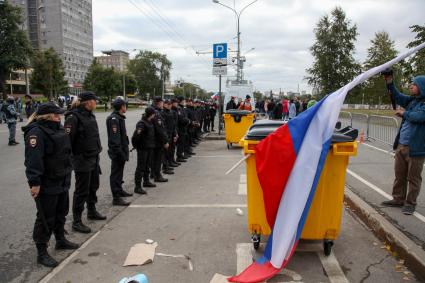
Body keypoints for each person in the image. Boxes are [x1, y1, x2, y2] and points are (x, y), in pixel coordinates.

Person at [23, 102, 79, 267]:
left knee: (61, 212)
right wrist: (34, 183)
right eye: (56, 115)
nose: (59, 117)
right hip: (47, 183)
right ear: (47, 116)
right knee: (46, 218)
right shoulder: (36, 133)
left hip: (62, 179)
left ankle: (60, 240)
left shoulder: (58, 128)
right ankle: (42, 252)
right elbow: (33, 161)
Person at [381, 75, 425, 215]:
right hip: (402, 145)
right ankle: (398, 199)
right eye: (411, 84)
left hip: (416, 148)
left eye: (414, 84)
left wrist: (405, 113)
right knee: (399, 175)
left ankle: (410, 203)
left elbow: (419, 117)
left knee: (413, 178)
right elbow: (398, 96)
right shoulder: (412, 101)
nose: (411, 86)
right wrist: (389, 81)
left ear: (422, 87)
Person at [64, 91, 106, 234]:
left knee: (93, 186)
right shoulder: (73, 117)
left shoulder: (90, 115)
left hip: (93, 157)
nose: (96, 102)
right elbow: (67, 141)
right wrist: (70, 161)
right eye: (95, 101)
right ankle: (76, 221)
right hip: (82, 159)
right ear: (87, 102)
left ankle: (92, 211)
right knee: (81, 191)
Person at [106, 97, 132, 206]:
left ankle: (119, 190)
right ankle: (116, 197)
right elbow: (115, 140)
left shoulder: (119, 117)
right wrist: (120, 153)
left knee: (119, 173)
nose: (126, 107)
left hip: (121, 151)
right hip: (117, 152)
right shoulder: (113, 119)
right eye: (125, 105)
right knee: (115, 174)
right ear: (122, 107)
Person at [132, 107, 157, 194]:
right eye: (154, 113)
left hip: (149, 147)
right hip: (143, 148)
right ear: (151, 114)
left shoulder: (150, 122)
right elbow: (136, 136)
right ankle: (137, 186)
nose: (154, 115)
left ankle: (146, 181)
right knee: (141, 167)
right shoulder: (141, 123)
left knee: (147, 166)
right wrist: (136, 145)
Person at [151, 97, 170, 182]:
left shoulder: (153, 111)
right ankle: (157, 176)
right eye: (162, 102)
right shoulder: (156, 113)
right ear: (159, 103)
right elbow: (160, 130)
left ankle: (154, 174)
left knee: (154, 159)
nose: (163, 104)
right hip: (157, 140)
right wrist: (165, 141)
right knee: (157, 159)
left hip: (154, 140)